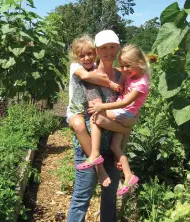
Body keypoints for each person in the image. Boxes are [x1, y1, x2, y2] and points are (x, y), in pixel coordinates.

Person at [67, 30, 126, 222]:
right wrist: (124, 127)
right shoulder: (90, 77)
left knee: (110, 199)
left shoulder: (122, 77)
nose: (109, 51)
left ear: (118, 48)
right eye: (104, 48)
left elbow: (129, 113)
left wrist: (121, 147)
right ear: (98, 51)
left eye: (112, 47)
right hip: (89, 148)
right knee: (82, 198)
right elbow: (99, 118)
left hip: (112, 146)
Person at [78, 44, 150, 196]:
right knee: (115, 147)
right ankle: (129, 176)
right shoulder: (133, 75)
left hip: (125, 113)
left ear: (140, 62)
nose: (124, 69)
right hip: (125, 115)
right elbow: (118, 80)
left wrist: (102, 106)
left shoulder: (141, 83)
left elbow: (125, 102)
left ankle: (94, 154)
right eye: (122, 65)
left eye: (128, 66)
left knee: (96, 117)